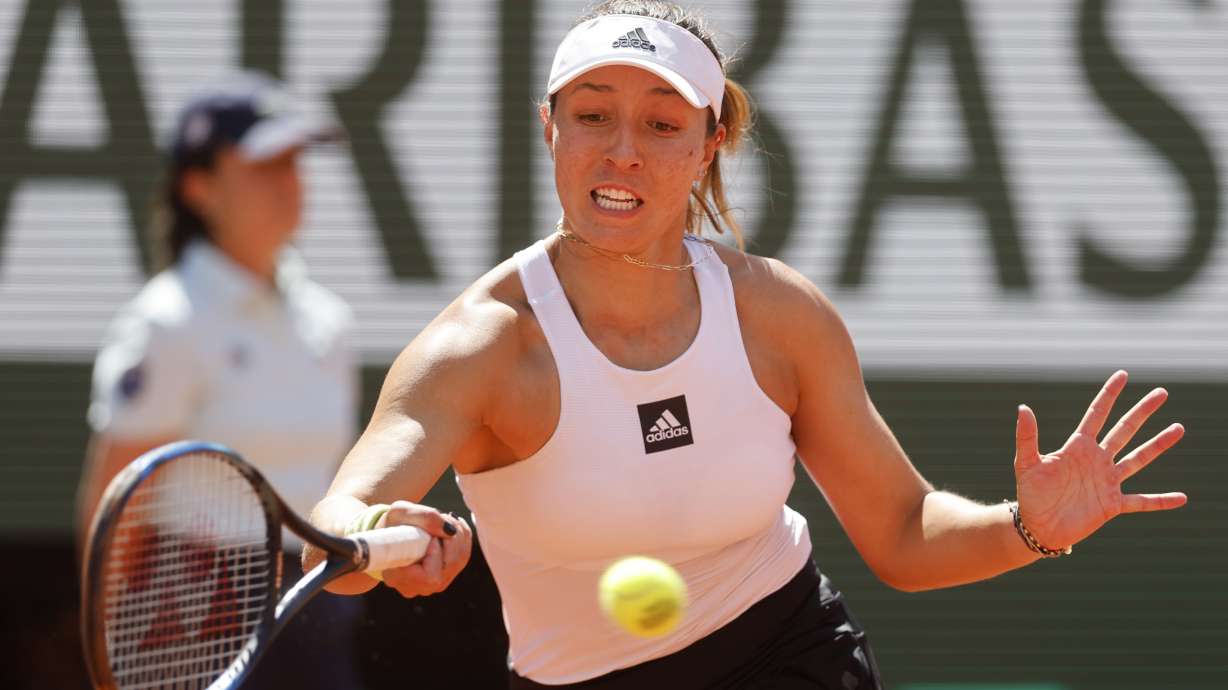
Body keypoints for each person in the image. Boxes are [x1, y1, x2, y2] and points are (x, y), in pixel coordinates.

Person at [305, 2, 1189, 688]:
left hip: (792, 659)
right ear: (551, 128)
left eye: (662, 125)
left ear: (708, 145)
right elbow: (332, 534)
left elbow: (902, 532)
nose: (622, 153)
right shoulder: (480, 347)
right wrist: (375, 535)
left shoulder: (777, 314)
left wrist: (1028, 528)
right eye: (593, 116)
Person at [77, 71, 364, 689]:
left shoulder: (329, 323)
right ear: (198, 187)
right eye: (264, 164)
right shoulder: (166, 323)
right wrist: (103, 650)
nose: (289, 182)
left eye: (293, 162)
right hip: (194, 617)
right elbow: (115, 505)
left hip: (317, 609)